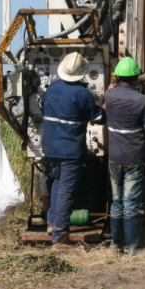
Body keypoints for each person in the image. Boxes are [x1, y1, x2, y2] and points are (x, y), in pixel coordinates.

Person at [42, 52, 106, 249]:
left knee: (57, 183)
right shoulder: (83, 94)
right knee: (67, 190)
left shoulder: (51, 89)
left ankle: (52, 223)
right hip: (70, 150)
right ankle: (60, 237)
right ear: (82, 73)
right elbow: (99, 118)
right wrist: (106, 103)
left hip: (51, 148)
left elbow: (42, 106)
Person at [104, 57, 145, 256]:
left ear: (117, 76)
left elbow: (114, 87)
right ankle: (134, 248)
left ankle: (116, 246)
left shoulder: (109, 96)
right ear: (136, 78)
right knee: (131, 203)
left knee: (117, 201)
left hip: (114, 158)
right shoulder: (142, 101)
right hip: (135, 158)